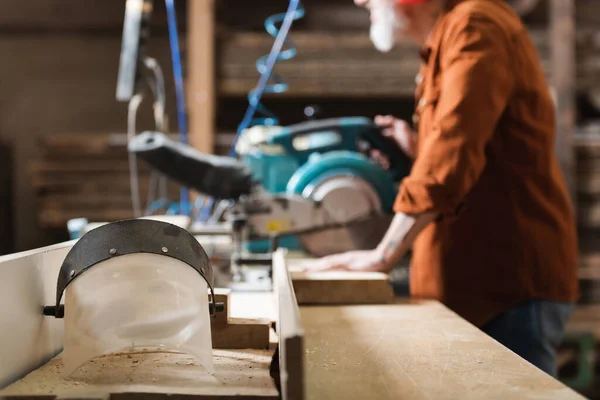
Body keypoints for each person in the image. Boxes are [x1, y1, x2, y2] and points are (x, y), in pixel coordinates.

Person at [304, 0, 579, 377]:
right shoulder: (450, 34)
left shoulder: (476, 25)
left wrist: (383, 254)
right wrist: (418, 151)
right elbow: (474, 151)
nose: (361, 1)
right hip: (478, 282)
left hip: (506, 287)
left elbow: (455, 148)